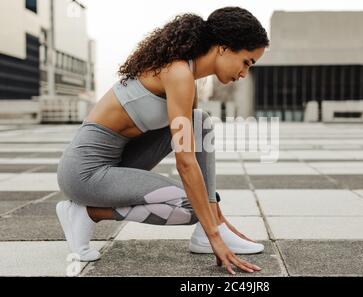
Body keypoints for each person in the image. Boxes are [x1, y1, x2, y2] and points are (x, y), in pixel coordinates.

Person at [56, 6, 269, 275]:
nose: (244, 73)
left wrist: (217, 222)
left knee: (200, 121)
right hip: (84, 174)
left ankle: (207, 230)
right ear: (224, 48)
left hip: (118, 162)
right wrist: (217, 238)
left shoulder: (187, 75)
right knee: (191, 208)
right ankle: (88, 213)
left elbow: (191, 140)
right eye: (247, 62)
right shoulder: (178, 74)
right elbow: (185, 162)